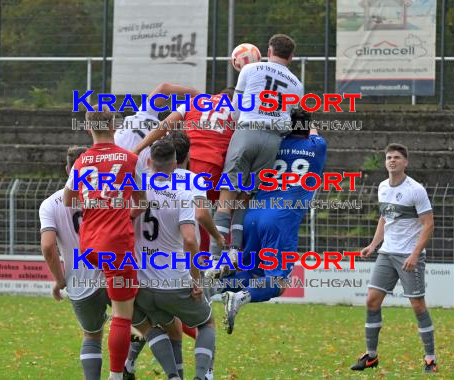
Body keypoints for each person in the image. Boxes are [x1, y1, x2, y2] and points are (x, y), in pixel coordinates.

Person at [123, 131, 222, 380]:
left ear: (148, 161)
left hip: (142, 282)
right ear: (177, 162)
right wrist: (196, 279)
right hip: (175, 278)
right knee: (206, 323)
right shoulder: (187, 187)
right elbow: (190, 238)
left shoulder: (134, 187)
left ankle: (171, 375)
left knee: (161, 329)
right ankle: (202, 375)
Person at [220, 108, 326, 334]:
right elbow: (312, 131)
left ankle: (212, 289)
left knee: (251, 272)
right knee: (278, 283)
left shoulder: (274, 145)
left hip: (253, 215)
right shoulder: (317, 146)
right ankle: (239, 298)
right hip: (280, 220)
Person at [209, 34, 304, 276]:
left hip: (248, 132)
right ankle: (234, 252)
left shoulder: (251, 68)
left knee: (227, 196)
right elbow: (294, 120)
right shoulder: (296, 83)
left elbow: (236, 109)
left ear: (268, 50)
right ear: (291, 56)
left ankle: (213, 258)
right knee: (246, 196)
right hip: (272, 141)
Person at [63, 104, 145, 380]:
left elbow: (67, 199)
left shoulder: (81, 160)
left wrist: (93, 202)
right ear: (114, 127)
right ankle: (115, 375)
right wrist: (126, 210)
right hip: (116, 243)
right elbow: (141, 200)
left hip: (89, 243)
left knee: (113, 306)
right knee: (123, 315)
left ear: (88, 128)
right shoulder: (129, 158)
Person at [350, 143, 437, 373]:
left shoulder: (415, 189)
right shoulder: (382, 187)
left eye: (397, 157)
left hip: (409, 255)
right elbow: (384, 218)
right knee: (371, 301)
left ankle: (430, 359)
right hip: (387, 253)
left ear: (405, 162)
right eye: (389, 157)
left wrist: (415, 254)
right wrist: (373, 244)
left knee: (418, 305)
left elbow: (428, 224)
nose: (392, 161)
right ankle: (371, 356)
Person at [131, 88, 236, 252]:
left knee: (173, 204)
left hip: (187, 161)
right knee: (222, 210)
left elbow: (165, 124)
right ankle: (217, 256)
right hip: (213, 166)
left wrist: (138, 148)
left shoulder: (195, 101)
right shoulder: (238, 108)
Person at [40, 146, 109, 380]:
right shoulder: (107, 195)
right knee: (137, 321)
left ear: (68, 168)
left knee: (92, 335)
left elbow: (48, 246)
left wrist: (60, 280)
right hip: (112, 272)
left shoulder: (50, 204)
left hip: (79, 281)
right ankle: (128, 365)